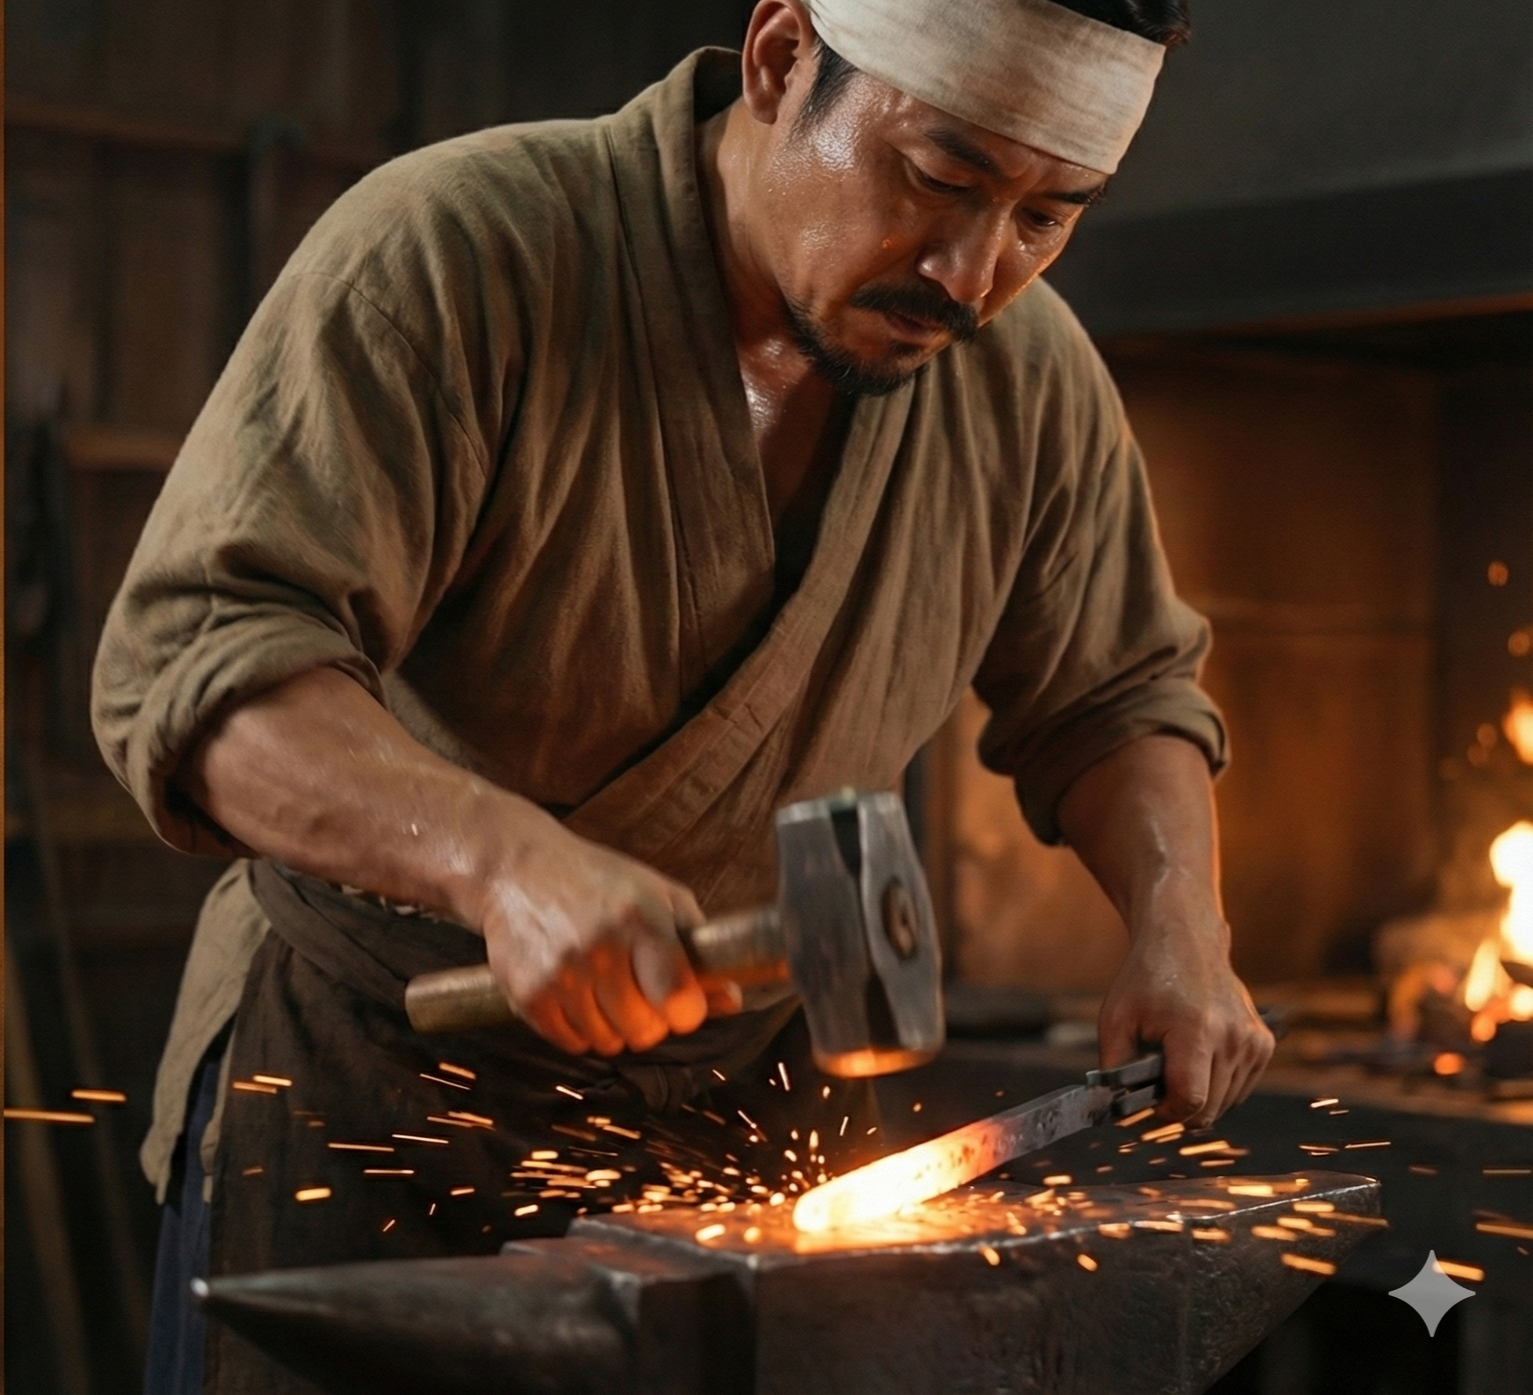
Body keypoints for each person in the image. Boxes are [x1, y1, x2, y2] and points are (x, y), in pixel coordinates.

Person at [94, 0, 1274, 1388]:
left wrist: (1181, 920)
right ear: (782, 61)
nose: (973, 270)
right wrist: (500, 862)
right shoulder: (459, 256)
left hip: (730, 1155)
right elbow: (201, 661)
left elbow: (1118, 690)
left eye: (1047, 216)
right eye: (937, 179)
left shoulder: (1026, 383)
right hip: (367, 1111)